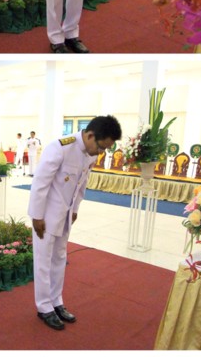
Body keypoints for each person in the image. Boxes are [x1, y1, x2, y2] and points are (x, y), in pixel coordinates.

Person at [28, 115, 122, 330]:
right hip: (46, 215)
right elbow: (40, 183)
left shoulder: (89, 153)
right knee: (43, 260)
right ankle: (44, 307)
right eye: (101, 147)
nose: (101, 152)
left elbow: (82, 184)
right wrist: (37, 216)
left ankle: (56, 301)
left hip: (65, 215)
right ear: (90, 136)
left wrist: (76, 209)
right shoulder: (60, 147)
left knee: (60, 258)